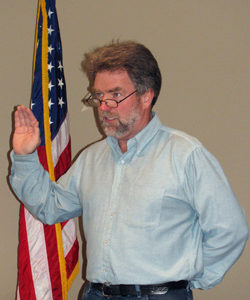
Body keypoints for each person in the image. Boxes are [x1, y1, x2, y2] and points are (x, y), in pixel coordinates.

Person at [10, 41, 248, 300]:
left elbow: (229, 228)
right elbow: (50, 207)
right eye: (99, 97)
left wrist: (193, 279)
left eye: (115, 95)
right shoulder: (91, 159)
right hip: (96, 294)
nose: (103, 107)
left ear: (146, 96)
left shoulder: (185, 155)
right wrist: (24, 156)